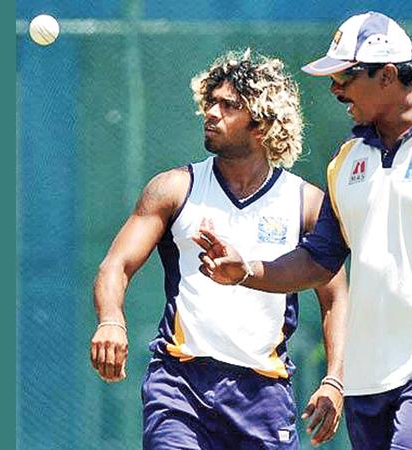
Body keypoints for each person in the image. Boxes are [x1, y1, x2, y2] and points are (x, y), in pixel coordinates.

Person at [194, 12, 412, 449]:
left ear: (387, 75)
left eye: (345, 75)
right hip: (369, 375)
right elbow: (317, 260)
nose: (334, 88)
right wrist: (248, 269)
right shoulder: (346, 161)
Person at [89, 49, 349, 449]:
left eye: (229, 106)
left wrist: (334, 378)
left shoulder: (306, 204)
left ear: (261, 124)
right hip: (179, 385)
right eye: (210, 101)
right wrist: (111, 321)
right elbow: (116, 265)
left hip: (263, 396)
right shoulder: (174, 188)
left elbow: (335, 298)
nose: (211, 112)